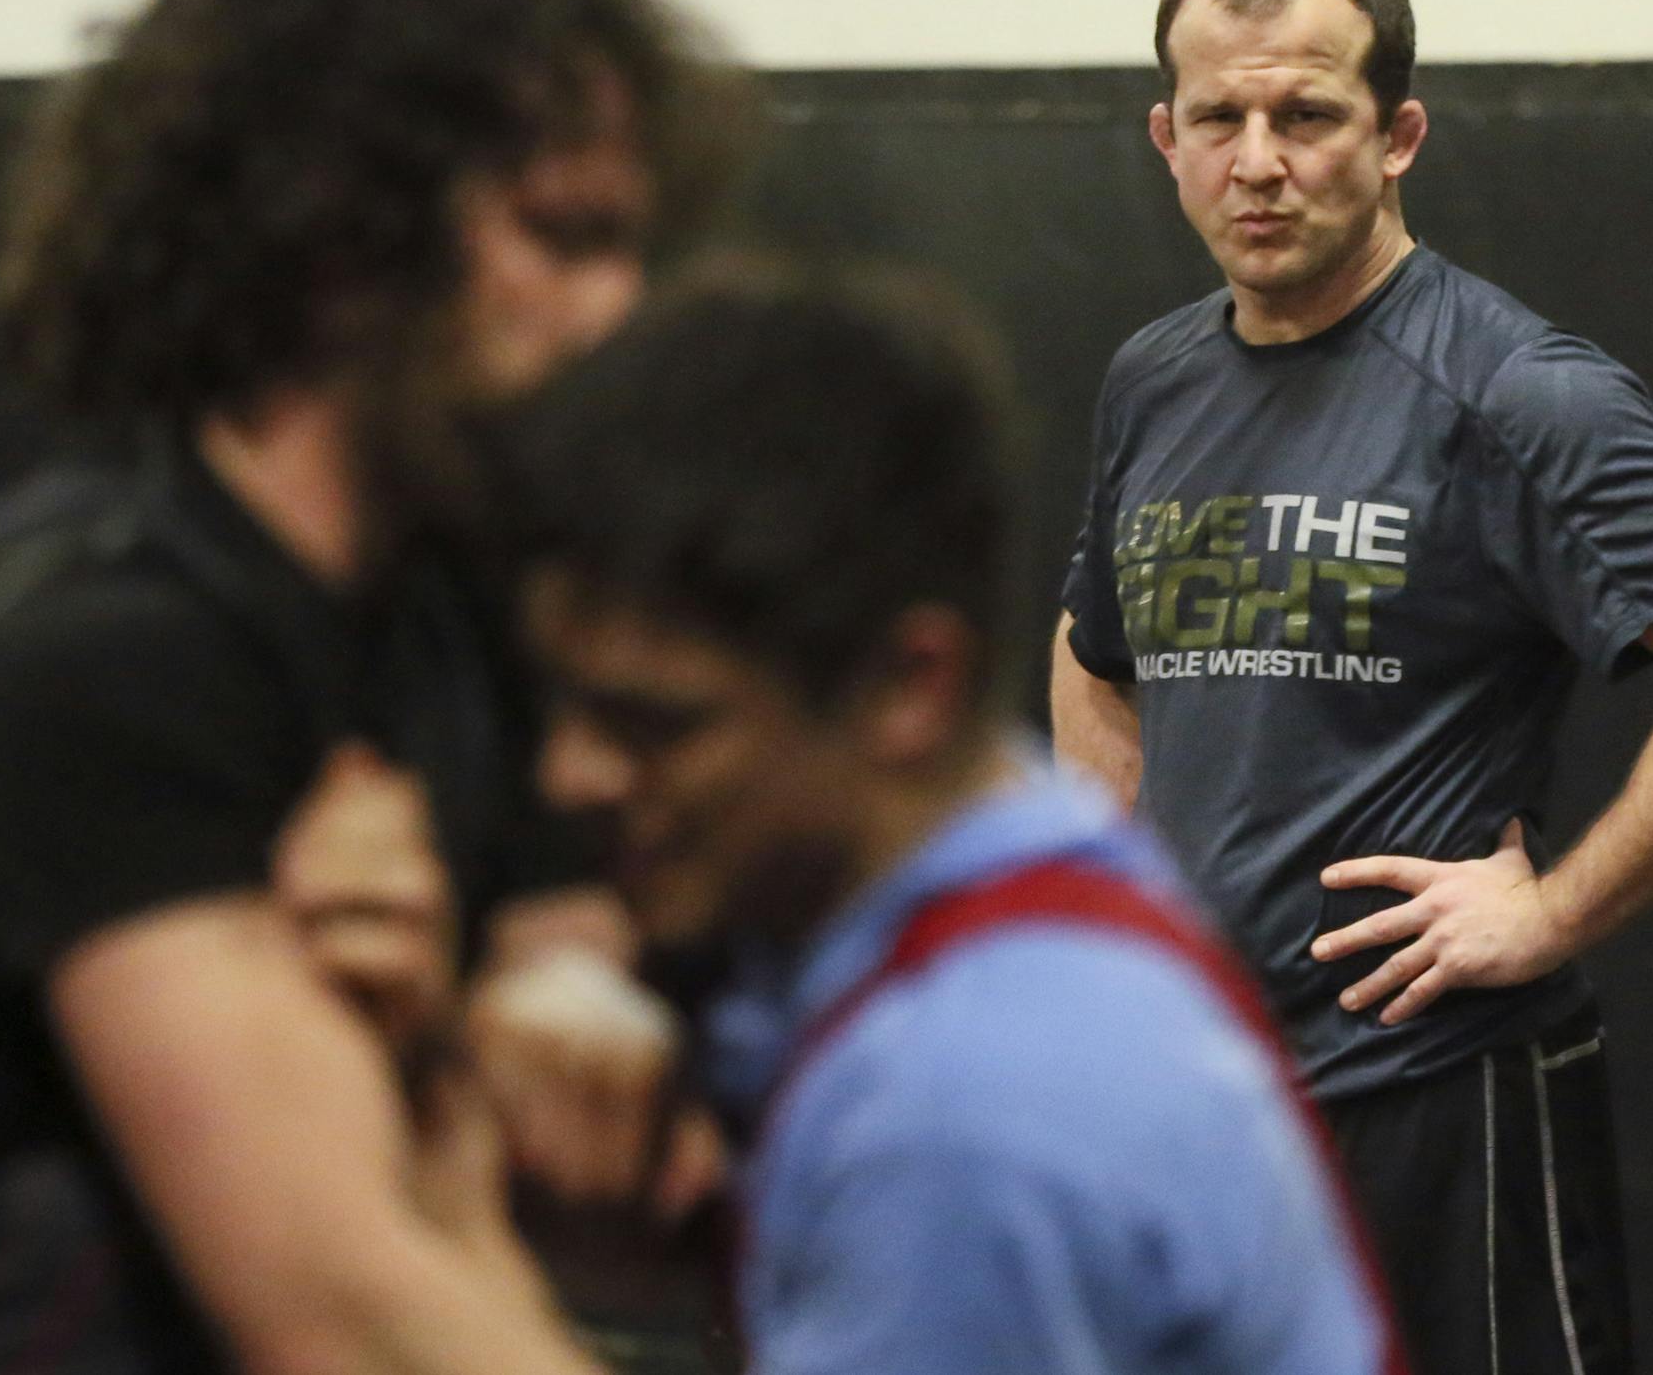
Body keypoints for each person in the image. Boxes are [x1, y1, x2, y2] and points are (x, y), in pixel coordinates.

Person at [0, 0, 740, 1373]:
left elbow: (575, 1046)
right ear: (343, 234)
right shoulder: (93, 660)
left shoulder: (450, 602)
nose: (615, 311)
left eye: (629, 245)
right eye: (559, 234)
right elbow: (349, 1316)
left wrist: (509, 1014)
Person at [1050, 0, 1653, 1375]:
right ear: (1166, 137)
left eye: (1307, 114)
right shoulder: (1154, 378)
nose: (1259, 160)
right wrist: (1121, 929)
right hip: (1213, 1101)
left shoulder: (1516, 389)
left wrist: (1549, 913)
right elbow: (1098, 653)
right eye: (1219, 118)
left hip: (1438, 1096)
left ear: (1399, 132)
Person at [495, 260, 1407, 1374]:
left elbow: (952, 1167)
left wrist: (433, 1248)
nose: (569, 776)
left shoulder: (961, 1110)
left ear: (907, 689)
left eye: (658, 728)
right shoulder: (1054, 898)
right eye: (569, 708)